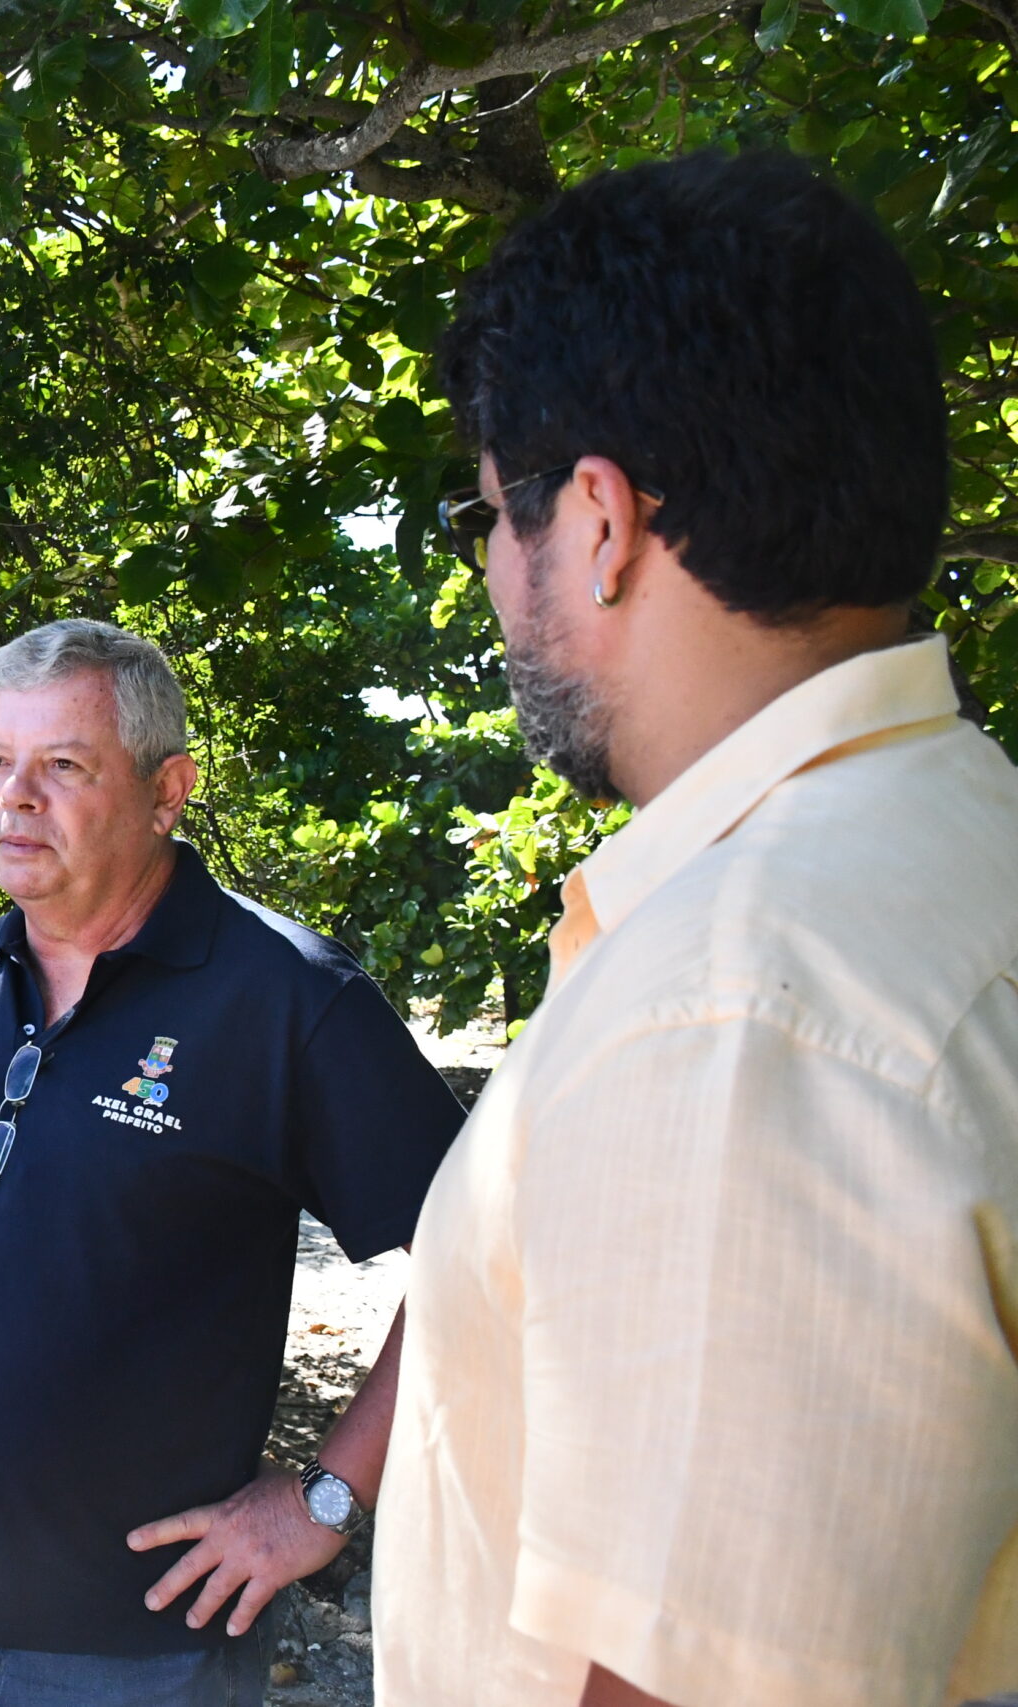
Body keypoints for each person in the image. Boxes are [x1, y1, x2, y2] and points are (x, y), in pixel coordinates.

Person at [374, 151, 1018, 1707]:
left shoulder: (737, 1011)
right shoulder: (962, 840)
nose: (489, 576)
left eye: (488, 515)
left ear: (595, 519)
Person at [0, 618, 466, 1707]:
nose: (15, 797)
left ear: (167, 788)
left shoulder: (286, 997)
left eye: (63, 765)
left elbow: (486, 1255)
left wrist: (327, 1500)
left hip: (145, 1650)